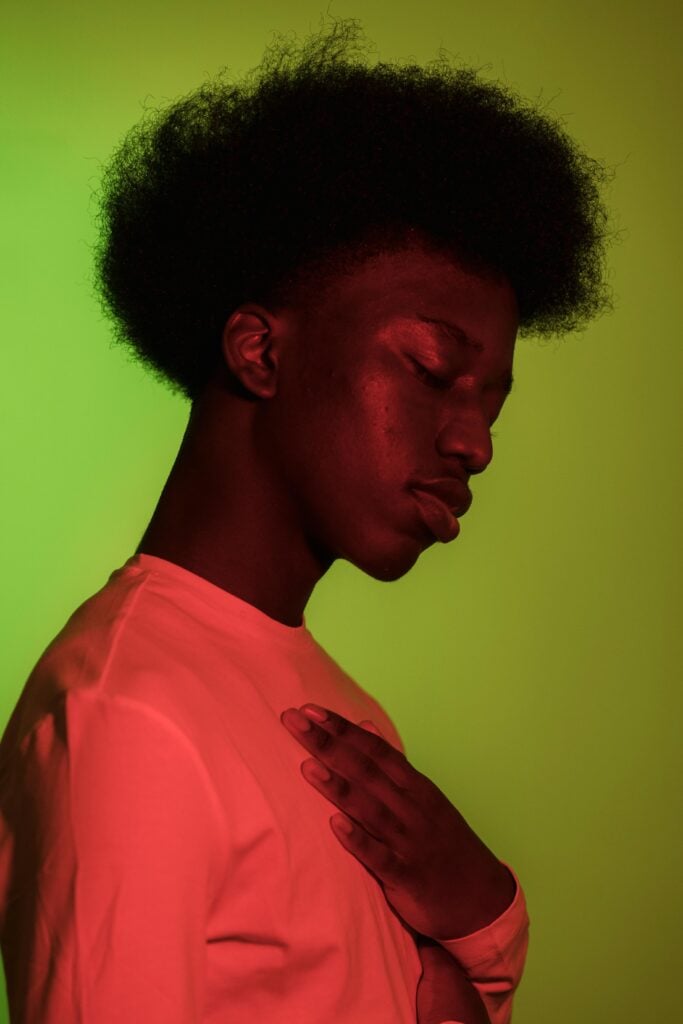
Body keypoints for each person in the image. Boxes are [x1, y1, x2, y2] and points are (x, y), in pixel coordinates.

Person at [0, 15, 616, 1024]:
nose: (474, 443)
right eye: (431, 371)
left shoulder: (342, 717)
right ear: (260, 352)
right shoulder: (127, 715)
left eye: (491, 404)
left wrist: (483, 911)